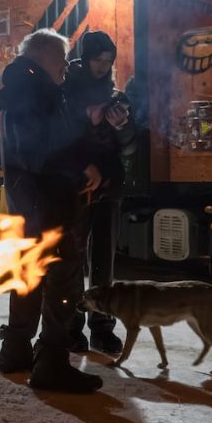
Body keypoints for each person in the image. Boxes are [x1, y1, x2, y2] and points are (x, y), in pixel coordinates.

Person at [0, 28, 104, 394]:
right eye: (62, 59)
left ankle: (16, 350)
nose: (66, 67)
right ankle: (52, 361)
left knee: (30, 274)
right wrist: (80, 166)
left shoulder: (27, 87)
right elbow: (40, 150)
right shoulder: (35, 91)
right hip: (47, 202)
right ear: (42, 57)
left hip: (31, 203)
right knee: (62, 277)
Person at [62, 31, 136, 356]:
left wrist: (122, 126)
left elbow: (130, 147)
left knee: (104, 262)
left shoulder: (115, 95)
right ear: (85, 57)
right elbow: (59, 139)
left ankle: (102, 328)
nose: (103, 66)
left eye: (108, 61)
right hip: (77, 186)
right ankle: (71, 327)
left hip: (109, 187)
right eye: (98, 60)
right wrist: (88, 121)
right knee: (73, 261)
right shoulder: (67, 90)